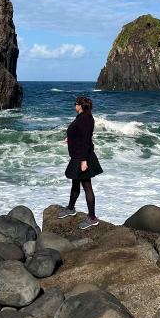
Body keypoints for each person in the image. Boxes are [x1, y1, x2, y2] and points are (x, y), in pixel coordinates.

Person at [58, 95, 103, 229]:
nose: (75, 105)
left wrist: (84, 161)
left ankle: (92, 218)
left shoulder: (85, 119)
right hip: (78, 155)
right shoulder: (83, 117)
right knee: (75, 181)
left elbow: (85, 140)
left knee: (87, 186)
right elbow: (79, 133)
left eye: (76, 104)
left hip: (82, 157)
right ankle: (71, 208)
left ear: (81, 106)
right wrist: (70, 138)